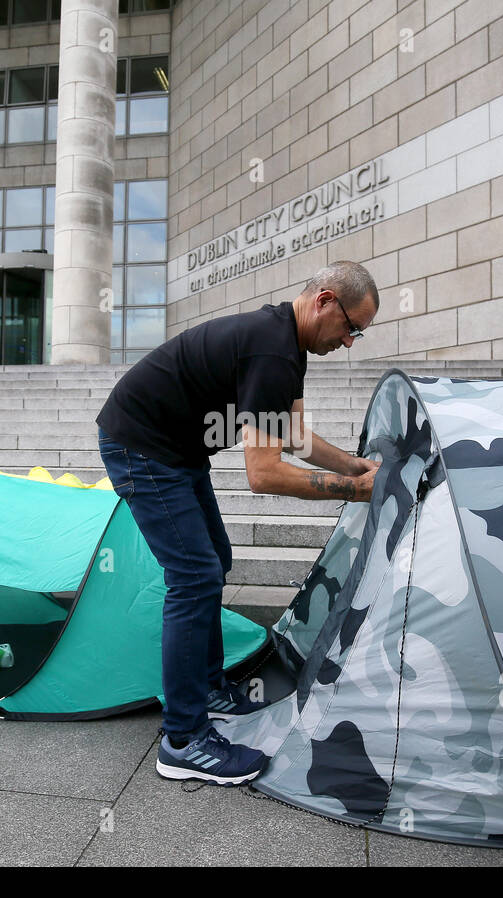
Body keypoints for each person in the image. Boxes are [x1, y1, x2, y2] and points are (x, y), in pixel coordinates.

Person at [96, 260, 381, 785]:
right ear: (324, 301)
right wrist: (354, 490)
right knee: (195, 574)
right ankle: (182, 740)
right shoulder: (273, 351)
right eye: (351, 327)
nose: (349, 343)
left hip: (175, 451)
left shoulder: (285, 345)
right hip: (142, 445)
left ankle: (205, 687)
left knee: (215, 561)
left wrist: (351, 465)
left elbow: (292, 434)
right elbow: (264, 473)